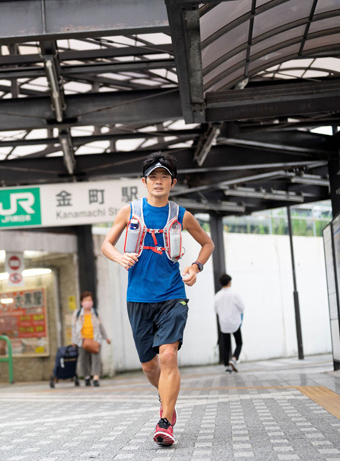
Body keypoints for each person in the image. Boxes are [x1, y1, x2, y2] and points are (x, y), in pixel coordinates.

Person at [101, 152, 214, 446]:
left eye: (164, 176)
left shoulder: (182, 215)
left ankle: (165, 420)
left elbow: (207, 243)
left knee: (168, 356)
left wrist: (195, 267)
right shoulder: (130, 212)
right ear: (144, 181)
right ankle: (165, 399)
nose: (159, 181)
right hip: (138, 297)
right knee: (150, 367)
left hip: (172, 294)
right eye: (153, 176)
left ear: (173, 182)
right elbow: (106, 244)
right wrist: (119, 256)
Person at [71, 291, 111, 387]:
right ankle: (87, 377)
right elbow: (73, 328)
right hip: (82, 340)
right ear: (82, 302)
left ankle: (96, 378)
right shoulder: (77, 314)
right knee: (83, 360)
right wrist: (73, 340)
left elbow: (101, 326)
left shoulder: (96, 313)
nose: (88, 302)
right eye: (86, 300)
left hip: (95, 339)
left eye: (90, 300)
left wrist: (106, 338)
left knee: (96, 360)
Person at [214, 273, 245, 373]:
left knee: (226, 345)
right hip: (235, 322)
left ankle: (227, 365)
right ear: (229, 282)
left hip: (224, 324)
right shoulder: (234, 294)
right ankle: (234, 359)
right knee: (239, 343)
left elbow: (216, 310)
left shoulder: (217, 296)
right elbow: (242, 307)